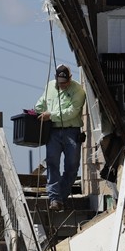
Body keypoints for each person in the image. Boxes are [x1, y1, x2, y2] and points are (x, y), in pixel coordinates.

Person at [35, 64, 86, 211]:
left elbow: (72, 112)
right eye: (60, 83)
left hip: (72, 131)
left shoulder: (78, 91)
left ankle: (60, 197)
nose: (62, 85)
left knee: (72, 166)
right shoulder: (50, 86)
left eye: (65, 83)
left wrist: (50, 115)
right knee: (52, 164)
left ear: (70, 78)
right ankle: (54, 198)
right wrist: (36, 112)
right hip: (53, 132)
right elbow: (40, 104)